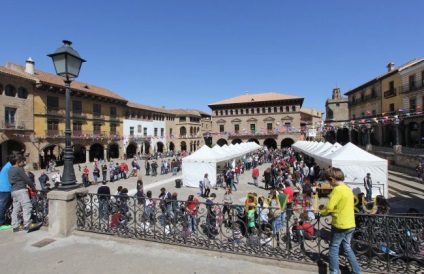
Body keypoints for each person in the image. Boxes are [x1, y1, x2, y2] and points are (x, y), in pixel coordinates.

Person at [319, 167, 362, 274]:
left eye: (329, 181)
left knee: (334, 247)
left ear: (332, 179)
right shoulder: (347, 188)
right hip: (350, 223)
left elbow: (329, 206)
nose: (329, 184)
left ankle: (334, 271)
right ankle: (357, 271)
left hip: (340, 224)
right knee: (347, 247)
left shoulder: (337, 190)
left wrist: (321, 212)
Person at [9, 155, 39, 232]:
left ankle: (15, 225)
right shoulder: (19, 169)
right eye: (22, 161)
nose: (24, 163)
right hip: (20, 190)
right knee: (27, 205)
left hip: (14, 191)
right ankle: (27, 224)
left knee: (16, 208)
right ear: (17, 162)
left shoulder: (10, 170)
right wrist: (33, 187)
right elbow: (27, 179)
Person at [0, 154, 15, 228]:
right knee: (2, 206)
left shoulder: (7, 165)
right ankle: (1, 223)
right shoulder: (10, 167)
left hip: (3, 188)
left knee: (4, 206)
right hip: (5, 188)